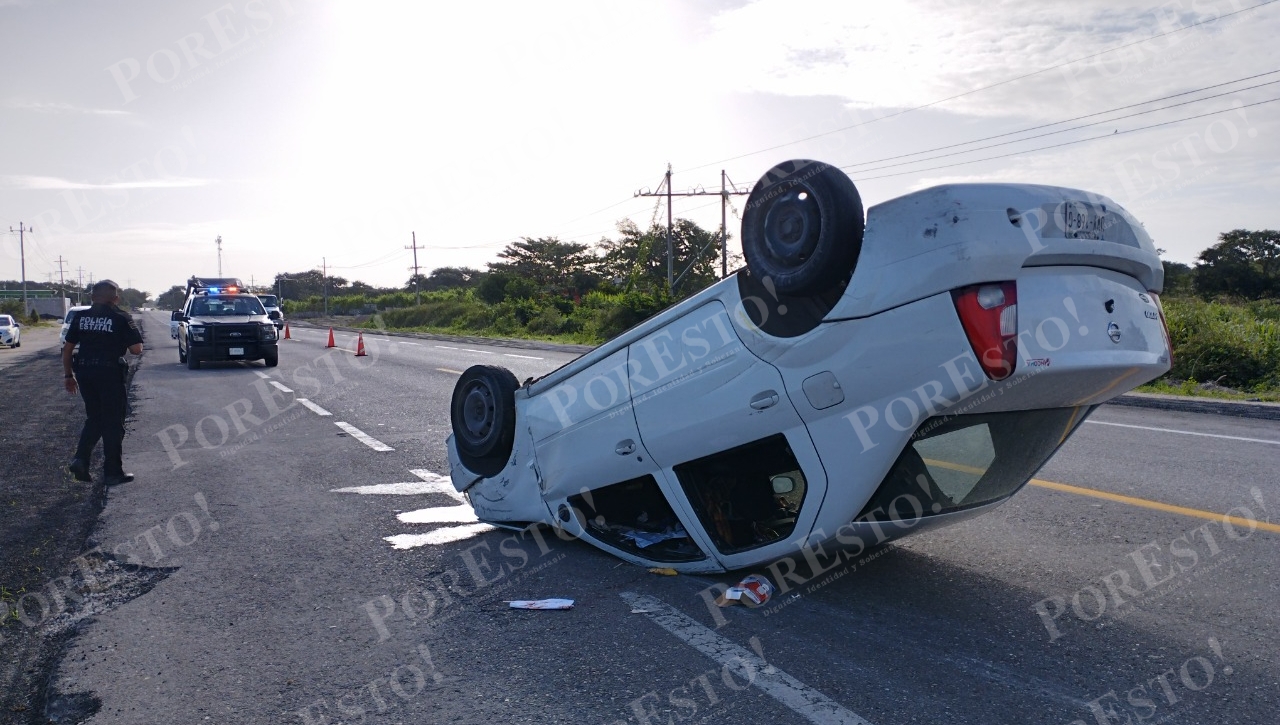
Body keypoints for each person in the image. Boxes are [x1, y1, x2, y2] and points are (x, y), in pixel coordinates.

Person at [62, 280, 144, 485]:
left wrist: (68, 376)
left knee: (95, 418)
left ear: (92, 297)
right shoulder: (120, 317)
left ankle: (81, 459)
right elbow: (136, 350)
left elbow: (68, 348)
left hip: (85, 373)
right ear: (115, 298)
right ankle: (113, 472)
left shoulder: (80, 317)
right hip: (109, 374)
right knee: (114, 423)